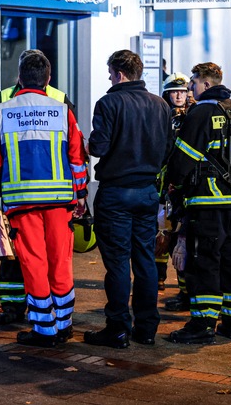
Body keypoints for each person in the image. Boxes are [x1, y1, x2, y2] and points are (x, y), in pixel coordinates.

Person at [0, 51, 88, 348]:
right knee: (60, 262)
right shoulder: (61, 108)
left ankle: (44, 329)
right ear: (48, 79)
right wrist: (81, 194)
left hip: (22, 203)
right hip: (60, 202)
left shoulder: (4, 111)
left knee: (34, 264)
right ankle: (64, 324)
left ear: (19, 78)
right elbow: (77, 156)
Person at [85, 49, 174, 348]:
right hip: (148, 192)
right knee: (146, 261)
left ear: (119, 74)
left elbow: (98, 147)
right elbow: (168, 150)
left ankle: (118, 328)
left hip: (116, 194)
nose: (109, 78)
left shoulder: (109, 102)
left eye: (110, 73)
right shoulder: (161, 105)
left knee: (119, 263)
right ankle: (147, 328)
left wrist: (86, 142)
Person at [164, 62, 231, 344]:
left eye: (193, 83)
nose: (189, 88)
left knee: (204, 265)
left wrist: (171, 183)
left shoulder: (202, 112)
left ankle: (202, 324)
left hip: (206, 202)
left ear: (206, 83)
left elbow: (183, 158)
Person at [156, 72, 190, 293]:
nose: (178, 95)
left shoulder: (194, 115)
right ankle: (158, 279)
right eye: (174, 91)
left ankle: (184, 287)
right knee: (161, 233)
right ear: (167, 94)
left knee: (181, 236)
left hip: (184, 183)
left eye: (182, 91)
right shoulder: (160, 116)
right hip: (161, 183)